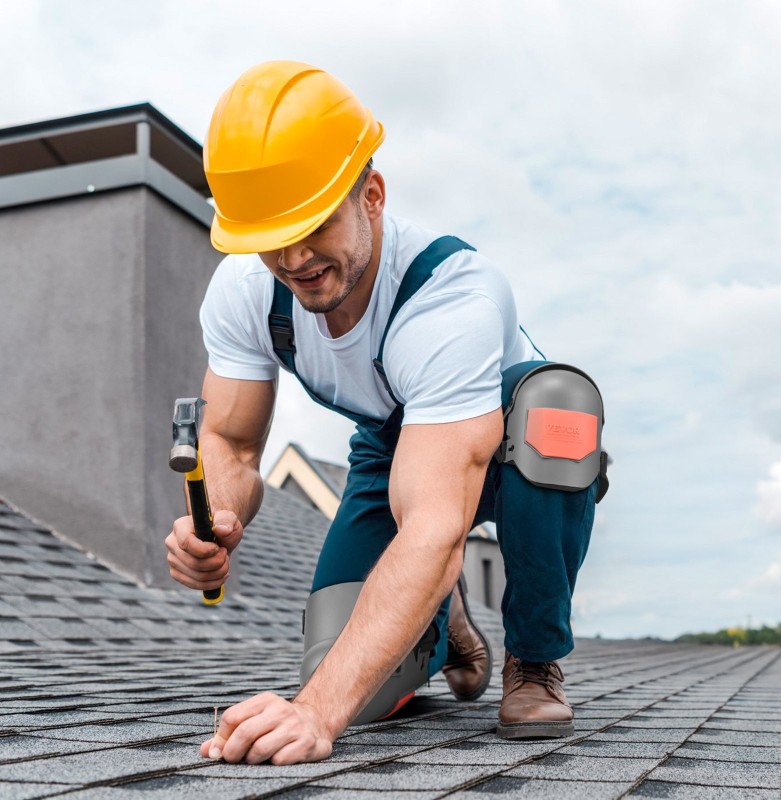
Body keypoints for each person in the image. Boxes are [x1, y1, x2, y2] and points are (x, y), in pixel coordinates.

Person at [164, 60, 606, 766]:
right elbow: (230, 442)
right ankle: (446, 622)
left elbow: (434, 523)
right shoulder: (246, 291)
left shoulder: (451, 299)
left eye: (313, 224)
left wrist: (316, 714)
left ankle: (533, 657)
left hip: (507, 439)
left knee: (560, 409)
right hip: (393, 446)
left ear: (371, 196)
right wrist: (215, 521)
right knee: (352, 683)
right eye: (272, 236)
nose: (294, 257)